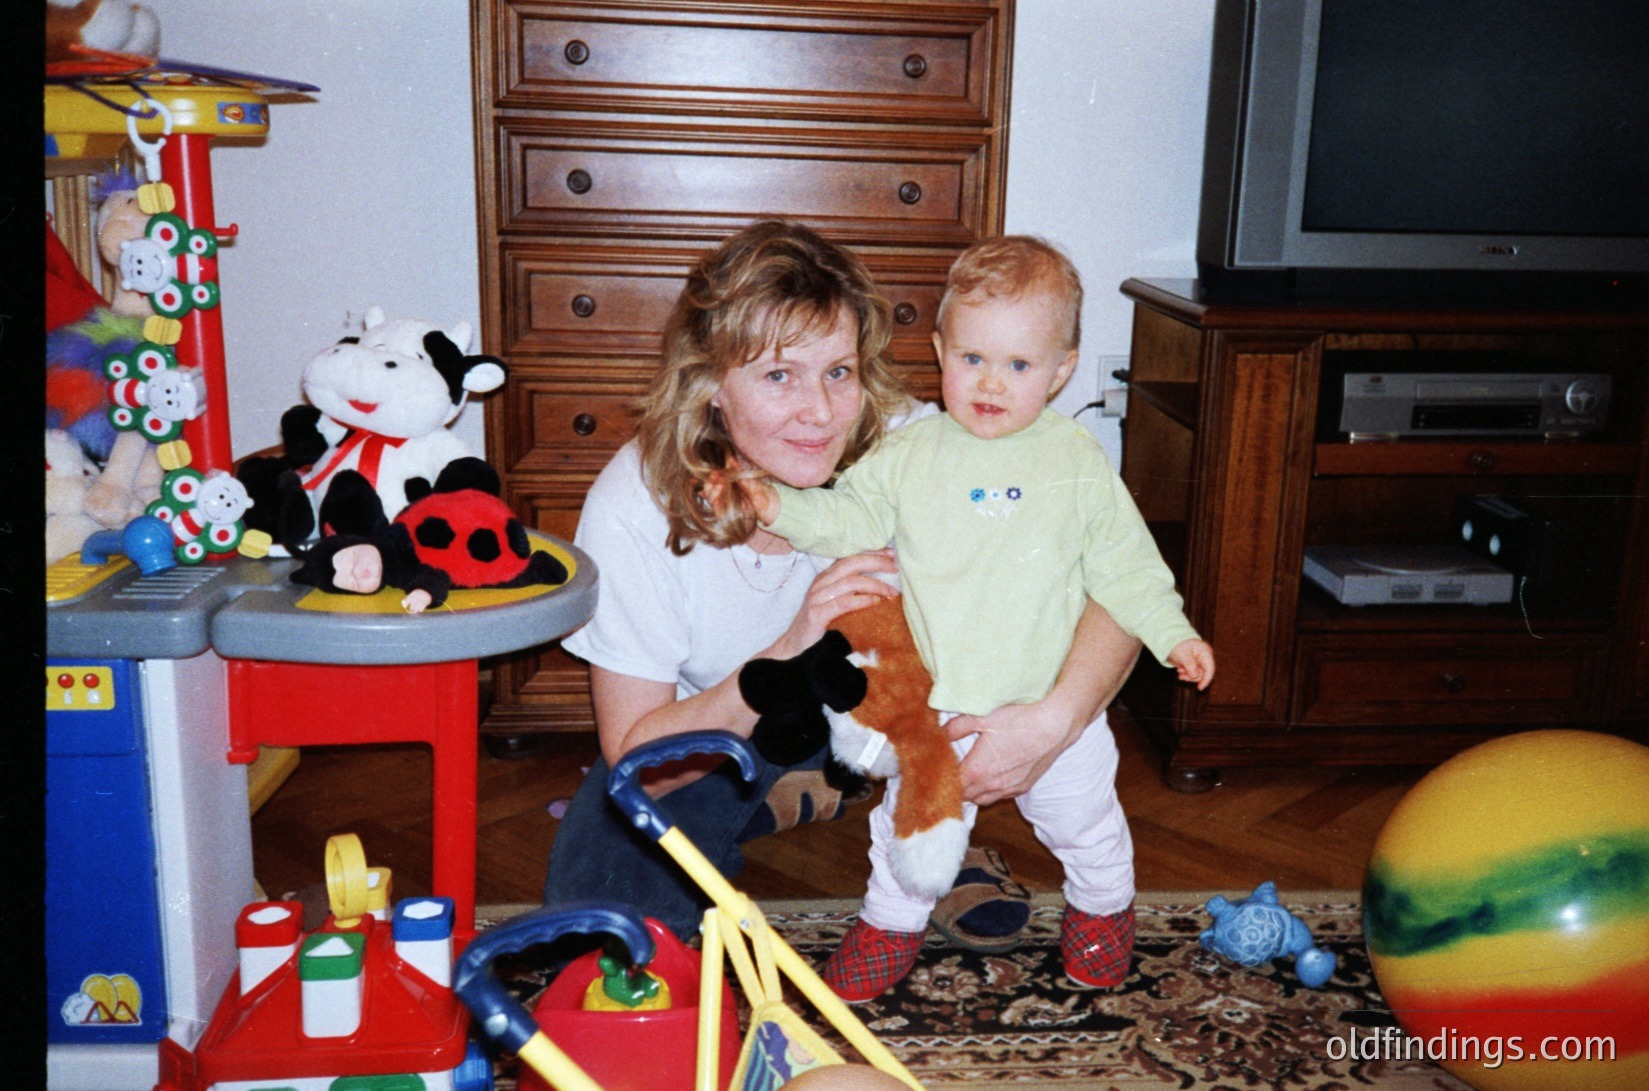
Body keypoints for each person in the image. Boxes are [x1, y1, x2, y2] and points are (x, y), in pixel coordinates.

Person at [546, 221, 1143, 958]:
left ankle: (902, 823)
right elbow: (638, 759)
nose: (821, 412)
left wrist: (1053, 719)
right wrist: (787, 648)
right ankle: (817, 791)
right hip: (725, 720)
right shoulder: (632, 505)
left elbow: (1120, 584)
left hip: (894, 710)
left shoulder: (917, 444)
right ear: (708, 386)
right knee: (601, 918)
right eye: (777, 376)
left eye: (838, 371)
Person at [743, 235, 1214, 1000]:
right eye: (971, 359)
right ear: (938, 349)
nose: (990, 383)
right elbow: (847, 518)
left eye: (1018, 366)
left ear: (1062, 369)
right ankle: (887, 926)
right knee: (907, 825)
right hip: (938, 705)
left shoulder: (1076, 462)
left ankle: (1102, 912)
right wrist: (779, 506)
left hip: (1049, 702)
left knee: (1085, 827)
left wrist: (1174, 635)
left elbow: (1127, 567)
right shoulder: (910, 453)